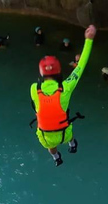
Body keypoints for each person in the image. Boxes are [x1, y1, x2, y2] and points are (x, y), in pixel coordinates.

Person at [30, 25, 96, 167]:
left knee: (50, 145)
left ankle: (56, 157)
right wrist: (89, 40)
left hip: (46, 136)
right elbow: (80, 67)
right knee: (67, 130)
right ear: (58, 72)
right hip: (64, 132)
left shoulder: (34, 89)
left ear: (41, 74)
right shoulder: (66, 87)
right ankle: (72, 143)